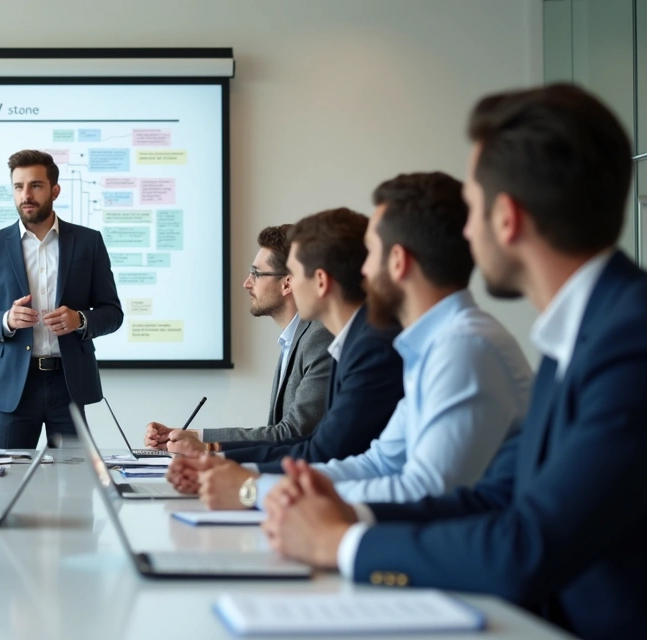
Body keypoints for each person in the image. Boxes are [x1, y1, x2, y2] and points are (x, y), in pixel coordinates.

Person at [262, 84, 647, 640]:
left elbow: (527, 546)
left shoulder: (627, 340)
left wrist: (340, 543)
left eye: (472, 209)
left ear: (507, 218)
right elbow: (494, 497)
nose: (465, 233)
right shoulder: (584, 334)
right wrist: (350, 519)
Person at [192, 172, 534, 509]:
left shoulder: (463, 348)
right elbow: (377, 463)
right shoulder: (432, 345)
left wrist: (253, 490)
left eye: (371, 252)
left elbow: (423, 490)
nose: (362, 270)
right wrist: (249, 480)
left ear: (398, 262)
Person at [165, 209, 403, 494]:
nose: (247, 282)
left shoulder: (362, 345)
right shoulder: (348, 340)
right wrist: (216, 457)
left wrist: (234, 476)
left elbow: (320, 448)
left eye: (295, 273)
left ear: (319, 281)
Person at [0, 150, 124, 448]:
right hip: (13, 387)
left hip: (69, 385)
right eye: (18, 187)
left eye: (35, 185)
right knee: (7, 484)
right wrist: (5, 320)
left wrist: (80, 319)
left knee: (76, 485)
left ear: (54, 190)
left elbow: (113, 313)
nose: (26, 195)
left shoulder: (88, 242)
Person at [145, 225, 332, 453]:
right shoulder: (294, 338)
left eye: (256, 273)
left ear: (287, 283)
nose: (247, 283)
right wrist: (189, 437)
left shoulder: (319, 337)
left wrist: (202, 442)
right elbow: (279, 432)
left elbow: (293, 433)